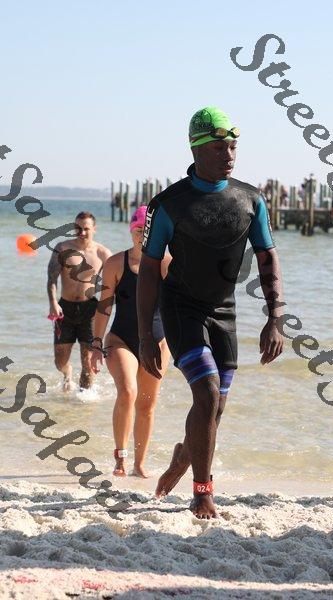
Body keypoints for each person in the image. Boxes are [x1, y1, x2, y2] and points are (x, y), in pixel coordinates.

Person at [137, 106, 284, 519]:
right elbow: (148, 269)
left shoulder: (251, 200)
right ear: (196, 149)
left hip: (224, 310)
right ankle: (202, 493)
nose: (229, 155)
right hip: (181, 307)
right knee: (205, 392)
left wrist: (275, 318)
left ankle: (185, 455)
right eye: (219, 147)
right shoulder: (168, 204)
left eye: (233, 146)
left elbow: (268, 256)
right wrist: (147, 335)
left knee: (215, 407)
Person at [90, 206, 171, 478]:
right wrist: (95, 343)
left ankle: (139, 464)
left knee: (146, 406)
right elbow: (104, 307)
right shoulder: (115, 263)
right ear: (131, 231)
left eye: (148, 230)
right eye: (138, 229)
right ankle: (121, 458)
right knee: (127, 391)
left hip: (158, 341)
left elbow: (181, 306)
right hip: (121, 339)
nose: (142, 235)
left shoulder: (166, 264)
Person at [47, 211, 112, 391]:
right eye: (77, 228)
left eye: (86, 229)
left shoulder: (103, 253)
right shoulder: (62, 248)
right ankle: (67, 373)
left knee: (88, 362)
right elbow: (51, 279)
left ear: (94, 229)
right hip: (64, 308)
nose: (81, 232)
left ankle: (84, 398)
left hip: (90, 310)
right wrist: (53, 303)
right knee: (60, 361)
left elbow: (117, 280)